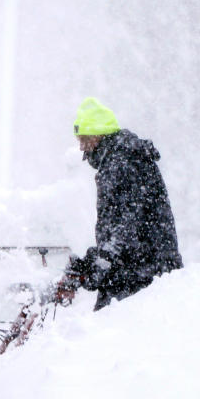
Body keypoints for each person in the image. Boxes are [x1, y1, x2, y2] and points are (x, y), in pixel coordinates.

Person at [56, 97, 183, 311]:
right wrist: (88, 264)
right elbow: (120, 229)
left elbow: (127, 225)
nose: (81, 148)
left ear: (98, 136)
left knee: (106, 334)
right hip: (137, 269)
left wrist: (99, 263)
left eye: (84, 139)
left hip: (145, 276)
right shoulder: (118, 159)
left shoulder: (124, 161)